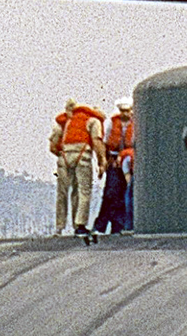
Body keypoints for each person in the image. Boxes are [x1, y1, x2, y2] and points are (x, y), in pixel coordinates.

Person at [49, 99, 106, 234]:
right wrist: (101, 162)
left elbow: (52, 147)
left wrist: (63, 154)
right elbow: (97, 143)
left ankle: (59, 227)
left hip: (64, 158)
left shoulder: (67, 123)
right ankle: (79, 225)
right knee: (83, 191)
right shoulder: (93, 122)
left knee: (62, 193)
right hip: (82, 156)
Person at [105, 97, 135, 230]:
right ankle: (117, 225)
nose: (125, 114)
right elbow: (106, 142)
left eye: (127, 111)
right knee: (113, 193)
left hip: (129, 160)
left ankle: (127, 224)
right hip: (115, 162)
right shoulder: (112, 124)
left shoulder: (136, 124)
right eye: (123, 111)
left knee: (128, 192)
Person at [94, 151, 130, 234]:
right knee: (115, 194)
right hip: (119, 160)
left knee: (111, 194)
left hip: (117, 160)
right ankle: (116, 224)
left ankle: (102, 225)